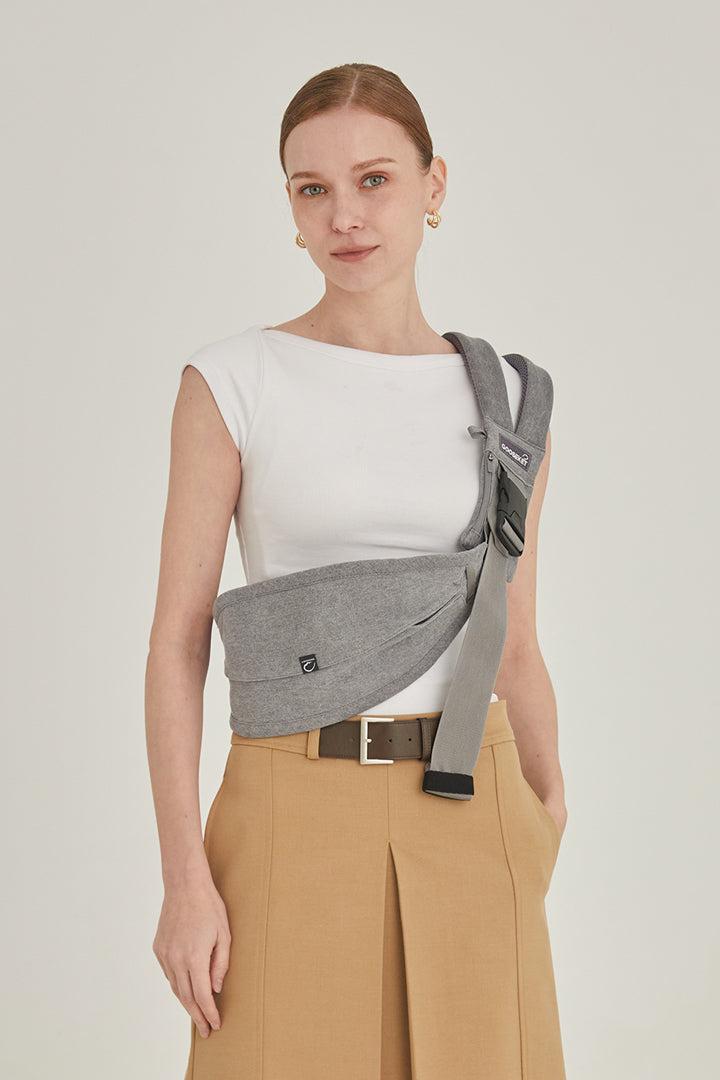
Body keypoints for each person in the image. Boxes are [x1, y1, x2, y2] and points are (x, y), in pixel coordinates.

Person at [145, 62, 568, 1080]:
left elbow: (513, 635)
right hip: (286, 806)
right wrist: (184, 881)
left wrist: (548, 809)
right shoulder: (233, 381)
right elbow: (176, 644)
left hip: (475, 804)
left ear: (434, 185)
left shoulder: (512, 399)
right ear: (291, 209)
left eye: (375, 179)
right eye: (314, 188)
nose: (346, 215)